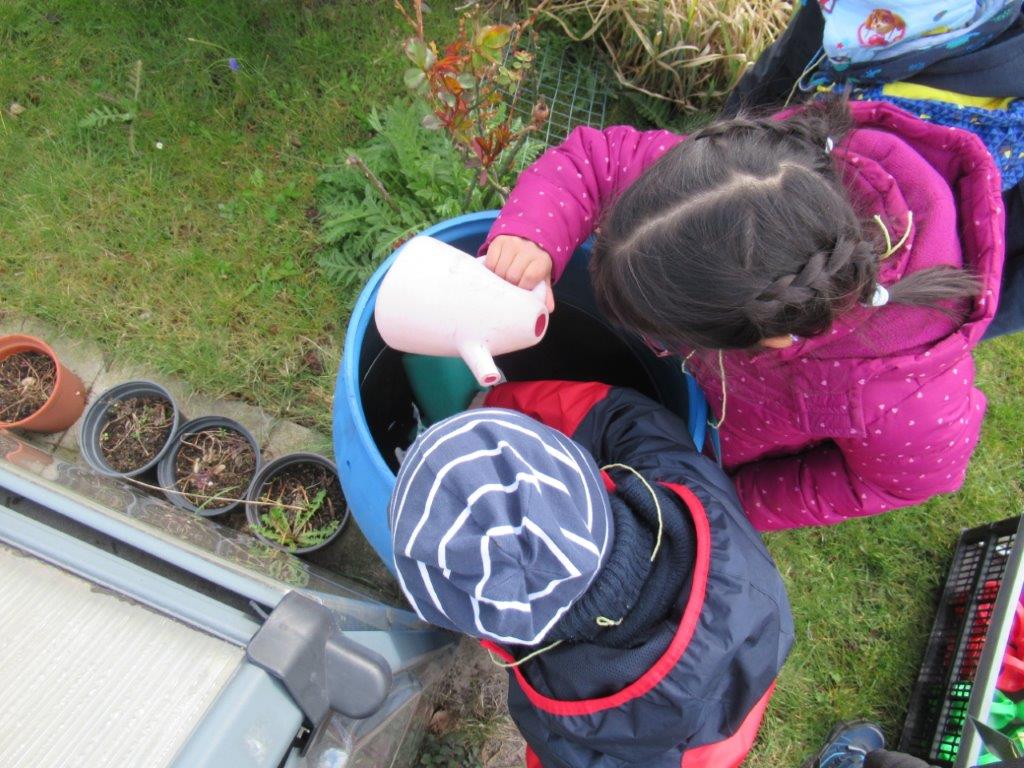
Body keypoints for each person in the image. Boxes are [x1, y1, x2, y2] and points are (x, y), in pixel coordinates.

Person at [479, 97, 1005, 531]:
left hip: (718, 438)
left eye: (663, 332)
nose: (652, 342)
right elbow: (597, 161)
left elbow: (895, 480)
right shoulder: (721, 189)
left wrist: (726, 498)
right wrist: (533, 236)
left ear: (772, 340)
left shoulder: (904, 397)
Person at [390, 380, 793, 767]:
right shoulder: (690, 490)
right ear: (590, 473)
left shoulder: (552, 709)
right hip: (748, 670)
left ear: (491, 632)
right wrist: (498, 401)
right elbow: (618, 414)